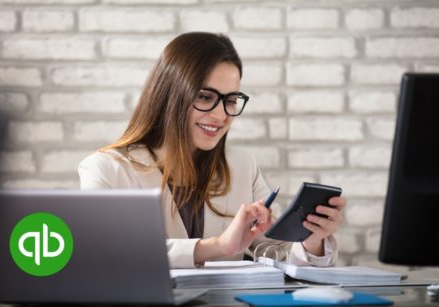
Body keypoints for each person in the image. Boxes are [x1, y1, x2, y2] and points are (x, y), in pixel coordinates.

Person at [78, 32, 346, 269]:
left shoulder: (242, 166)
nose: (221, 115)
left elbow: (276, 253)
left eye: (231, 101)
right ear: (170, 96)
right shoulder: (105, 169)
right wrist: (218, 246)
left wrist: (311, 241)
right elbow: (108, 254)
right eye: (205, 97)